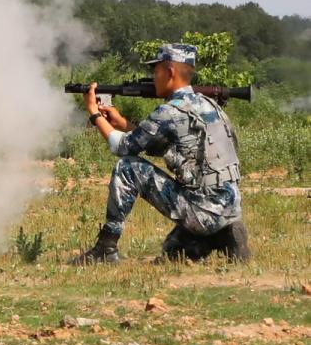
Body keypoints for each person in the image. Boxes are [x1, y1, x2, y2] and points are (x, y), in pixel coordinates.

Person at [71, 43, 250, 264]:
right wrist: (122, 123)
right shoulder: (210, 106)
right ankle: (223, 235)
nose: (154, 78)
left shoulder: (170, 111)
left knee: (127, 167)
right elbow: (159, 145)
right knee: (172, 251)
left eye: (156, 71)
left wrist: (94, 114)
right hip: (229, 208)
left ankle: (105, 248)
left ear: (170, 72)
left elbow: (122, 147)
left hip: (202, 211)